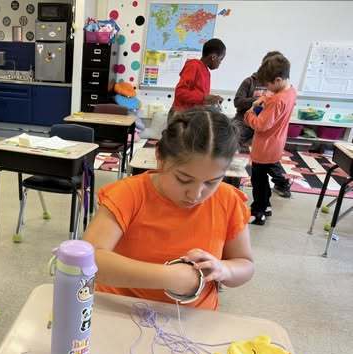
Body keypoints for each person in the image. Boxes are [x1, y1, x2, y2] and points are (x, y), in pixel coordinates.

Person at [83, 109, 254, 310]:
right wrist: (169, 277)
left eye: (211, 182)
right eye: (183, 179)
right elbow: (89, 259)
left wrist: (225, 269)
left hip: (194, 319)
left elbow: (245, 264)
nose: (196, 194)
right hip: (121, 311)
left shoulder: (228, 200)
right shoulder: (128, 194)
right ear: (160, 158)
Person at [244, 54, 297, 225]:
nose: (266, 88)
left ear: (278, 79)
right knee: (263, 178)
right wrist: (262, 99)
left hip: (265, 146)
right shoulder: (290, 91)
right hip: (276, 143)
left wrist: (249, 113)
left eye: (268, 84)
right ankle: (266, 206)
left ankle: (258, 212)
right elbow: (269, 96)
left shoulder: (276, 100)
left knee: (258, 181)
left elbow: (260, 124)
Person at [233, 51, 283, 147]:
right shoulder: (249, 81)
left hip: (265, 125)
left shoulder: (280, 87)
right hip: (244, 122)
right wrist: (259, 100)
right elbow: (238, 102)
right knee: (231, 139)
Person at [169, 38, 226, 121]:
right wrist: (205, 98)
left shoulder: (206, 71)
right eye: (220, 59)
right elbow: (180, 92)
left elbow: (198, 96)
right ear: (213, 57)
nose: (220, 63)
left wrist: (212, 100)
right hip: (180, 116)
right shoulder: (193, 65)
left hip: (191, 115)